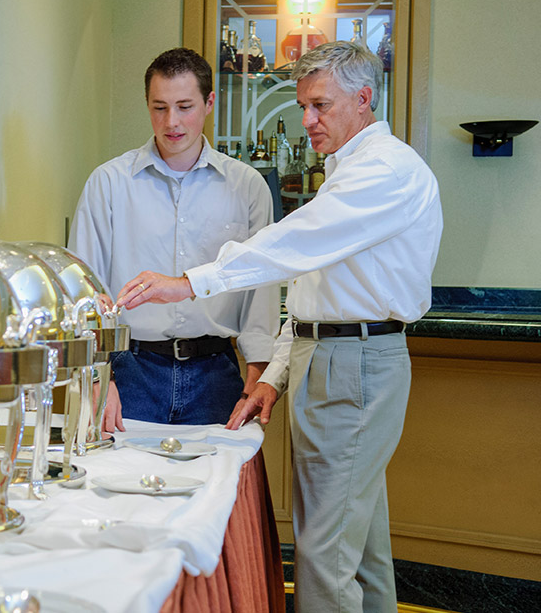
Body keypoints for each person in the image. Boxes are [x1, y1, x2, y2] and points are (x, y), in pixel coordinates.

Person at [116, 41, 443, 613]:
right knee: (359, 549)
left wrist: (188, 282)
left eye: (320, 105)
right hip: (337, 359)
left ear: (363, 100)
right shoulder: (347, 171)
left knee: (324, 556)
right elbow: (315, 298)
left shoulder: (384, 171)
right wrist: (276, 375)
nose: (307, 121)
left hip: (356, 368)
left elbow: (295, 245)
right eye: (303, 106)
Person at [68, 47, 278, 433]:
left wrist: (259, 370)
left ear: (209, 102)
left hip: (216, 373)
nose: (172, 122)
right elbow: (84, 287)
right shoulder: (108, 183)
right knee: (122, 487)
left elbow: (259, 290)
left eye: (185, 106)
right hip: (130, 372)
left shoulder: (247, 187)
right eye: (159, 107)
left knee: (220, 488)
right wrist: (98, 375)